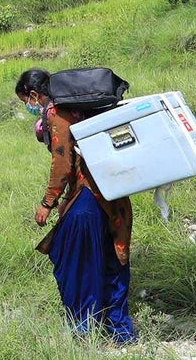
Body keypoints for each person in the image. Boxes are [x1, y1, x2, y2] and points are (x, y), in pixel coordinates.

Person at [16, 68, 136, 344]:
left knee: (72, 262)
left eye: (26, 101)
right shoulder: (85, 110)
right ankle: (121, 334)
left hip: (88, 200)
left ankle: (85, 332)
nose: (29, 107)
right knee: (112, 260)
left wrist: (48, 202)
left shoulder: (56, 112)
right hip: (115, 196)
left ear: (35, 94)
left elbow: (62, 161)